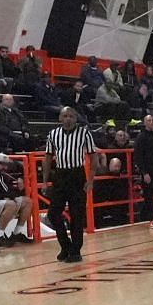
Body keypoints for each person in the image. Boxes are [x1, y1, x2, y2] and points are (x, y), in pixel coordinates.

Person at [43, 107, 94, 263]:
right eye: (65, 116)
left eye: (71, 116)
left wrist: (90, 180)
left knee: (77, 215)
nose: (68, 119)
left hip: (77, 175)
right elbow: (47, 157)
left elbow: (93, 156)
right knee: (53, 213)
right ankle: (66, 246)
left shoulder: (84, 133)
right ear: (60, 118)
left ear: (76, 118)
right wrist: (45, 181)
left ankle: (75, 251)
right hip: (60, 175)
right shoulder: (53, 134)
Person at [0, 153, 38, 247]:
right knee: (11, 204)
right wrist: (12, 196)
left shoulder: (1, 174)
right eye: (2, 164)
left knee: (28, 202)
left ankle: (16, 234)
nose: (5, 167)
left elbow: (7, 190)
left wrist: (22, 178)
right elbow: (5, 191)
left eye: (6, 165)